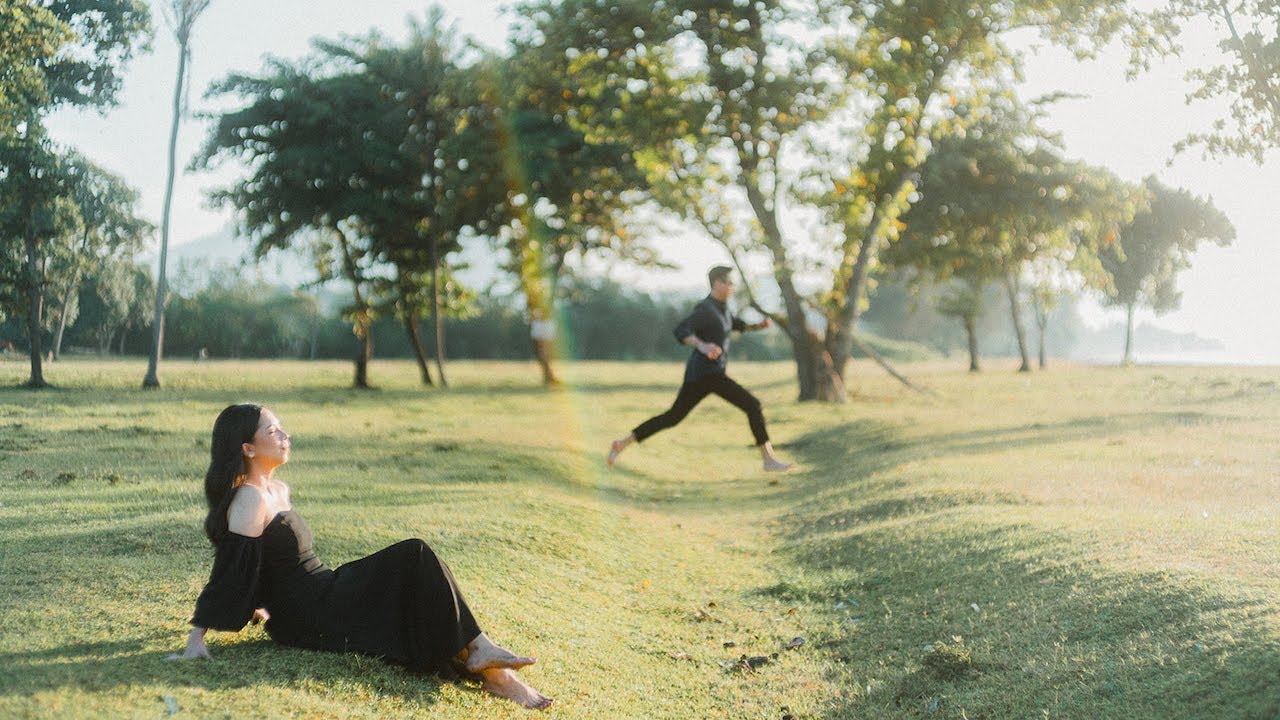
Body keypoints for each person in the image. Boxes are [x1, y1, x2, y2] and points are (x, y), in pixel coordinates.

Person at [169, 404, 552, 711]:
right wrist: (196, 637)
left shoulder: (277, 489)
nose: (285, 436)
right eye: (273, 432)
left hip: (324, 588)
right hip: (309, 614)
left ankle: (489, 665)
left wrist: (260, 602)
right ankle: (492, 669)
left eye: (282, 428)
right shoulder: (250, 498)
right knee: (414, 555)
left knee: (413, 568)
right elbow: (233, 568)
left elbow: (267, 562)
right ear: (247, 449)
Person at [607, 266, 793, 472]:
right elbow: (681, 330)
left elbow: (735, 324)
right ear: (717, 283)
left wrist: (758, 326)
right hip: (707, 372)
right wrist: (702, 345)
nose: (732, 286)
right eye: (729, 282)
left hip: (701, 375)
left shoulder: (722, 308)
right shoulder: (705, 309)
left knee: (673, 417)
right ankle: (768, 459)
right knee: (753, 405)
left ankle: (623, 442)